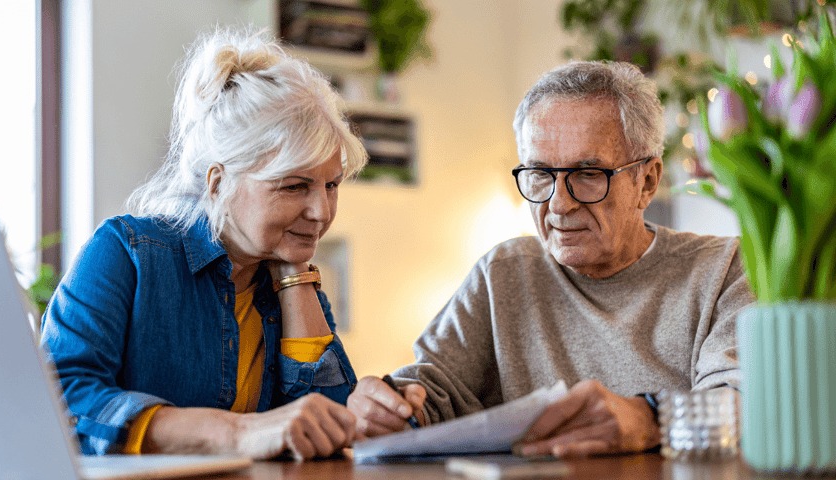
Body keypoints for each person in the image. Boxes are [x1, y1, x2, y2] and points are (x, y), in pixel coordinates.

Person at [347, 60, 755, 457]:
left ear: (646, 182)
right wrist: (390, 407)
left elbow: (743, 403)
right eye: (541, 174)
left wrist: (651, 418)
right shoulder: (505, 271)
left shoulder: (725, 269)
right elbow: (432, 389)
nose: (559, 204)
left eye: (588, 174)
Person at [40, 27, 368, 460]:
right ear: (218, 183)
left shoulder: (288, 276)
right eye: (294, 187)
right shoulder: (127, 253)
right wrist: (235, 433)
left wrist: (295, 277)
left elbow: (325, 428)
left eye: (331, 185)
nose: (322, 212)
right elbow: (58, 401)